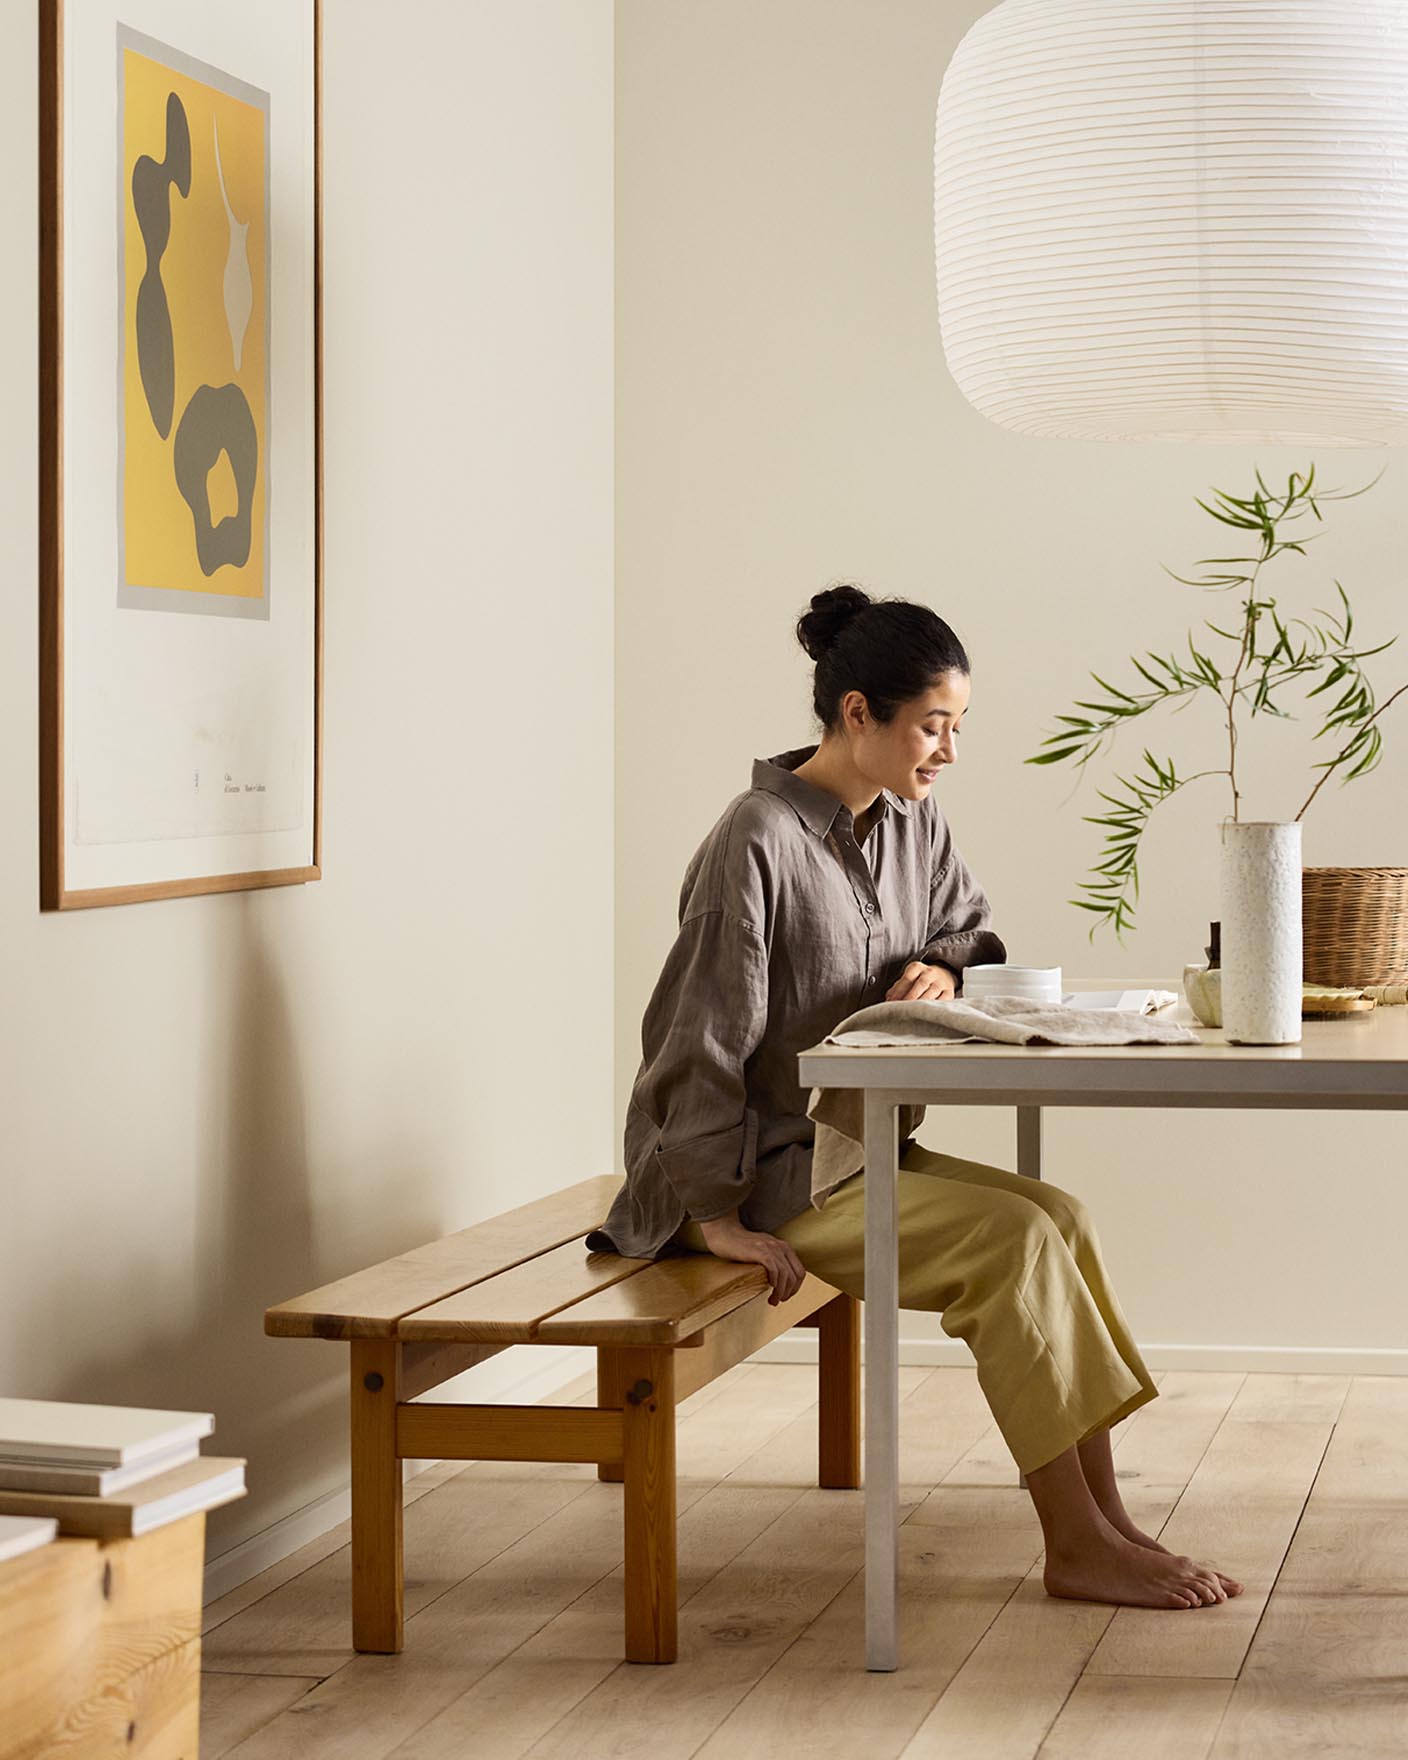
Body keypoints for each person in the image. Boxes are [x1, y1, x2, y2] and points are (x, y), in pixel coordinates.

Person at [587, 583, 1242, 1611]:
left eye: (955, 725)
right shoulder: (753, 840)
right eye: (932, 725)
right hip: (764, 1178)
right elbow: (693, 1044)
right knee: (1008, 1242)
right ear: (858, 714)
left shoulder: (906, 822)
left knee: (1056, 1216)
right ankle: (1073, 1539)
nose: (946, 749)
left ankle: (1107, 1521)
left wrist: (940, 960)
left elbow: (970, 921)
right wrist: (712, 1217)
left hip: (858, 1148)